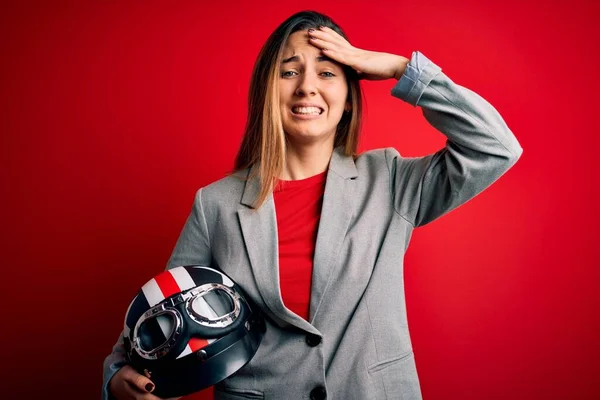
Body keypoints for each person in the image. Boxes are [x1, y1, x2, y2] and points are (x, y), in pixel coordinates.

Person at [103, 10, 523, 400]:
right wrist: (118, 373)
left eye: (327, 72)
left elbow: (495, 147)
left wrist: (401, 69)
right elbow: (162, 313)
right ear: (268, 90)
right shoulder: (215, 204)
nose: (307, 86)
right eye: (289, 72)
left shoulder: (391, 180)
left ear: (348, 97)